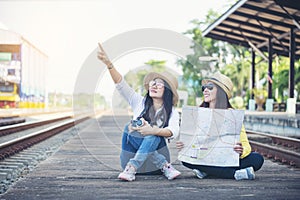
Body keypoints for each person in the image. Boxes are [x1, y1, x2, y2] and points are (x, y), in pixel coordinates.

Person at [97, 43, 181, 181]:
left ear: (168, 91)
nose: (154, 85)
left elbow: (173, 131)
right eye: (153, 82)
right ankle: (161, 165)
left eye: (160, 83)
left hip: (154, 169)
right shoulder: (138, 102)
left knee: (154, 134)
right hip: (136, 161)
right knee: (128, 128)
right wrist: (109, 64)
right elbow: (120, 84)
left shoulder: (172, 112)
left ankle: (133, 167)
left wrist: (152, 130)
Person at [176, 71, 264, 180]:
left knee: (257, 159)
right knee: (185, 159)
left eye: (210, 87)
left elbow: (246, 145)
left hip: (226, 158)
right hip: (205, 156)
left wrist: (241, 151)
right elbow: (191, 139)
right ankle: (234, 174)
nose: (205, 90)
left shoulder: (232, 114)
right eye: (204, 88)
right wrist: (184, 145)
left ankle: (207, 171)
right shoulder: (199, 113)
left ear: (221, 92)